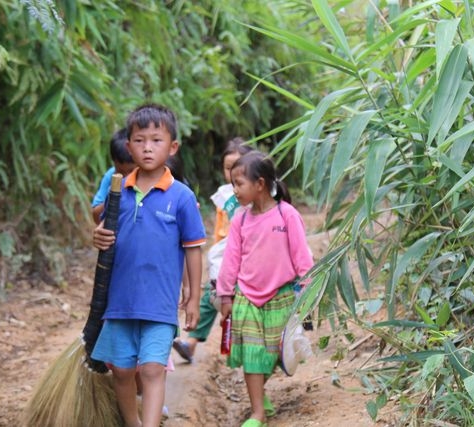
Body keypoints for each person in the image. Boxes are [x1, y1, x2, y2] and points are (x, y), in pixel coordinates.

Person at [92, 103, 206, 427]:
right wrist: (96, 236)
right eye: (140, 140)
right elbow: (103, 233)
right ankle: (133, 422)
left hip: (159, 301)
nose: (147, 148)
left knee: (154, 368)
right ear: (128, 146)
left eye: (156, 140)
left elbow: (193, 249)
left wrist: (193, 295)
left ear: (172, 148)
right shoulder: (118, 192)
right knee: (123, 370)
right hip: (120, 301)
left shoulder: (182, 197)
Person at [216, 151, 314, 427]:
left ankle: (260, 393)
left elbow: (302, 257)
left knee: (272, 353)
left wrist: (307, 290)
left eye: (239, 183)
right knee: (252, 353)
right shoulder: (240, 220)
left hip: (280, 296)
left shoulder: (287, 215)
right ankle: (257, 411)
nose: (234, 190)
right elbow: (230, 260)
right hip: (246, 297)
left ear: (259, 184)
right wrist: (225, 295)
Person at [173, 137, 254, 363]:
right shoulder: (223, 197)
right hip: (226, 257)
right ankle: (191, 342)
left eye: (239, 167)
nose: (233, 173)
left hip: (248, 258)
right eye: (228, 168)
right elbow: (220, 232)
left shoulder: (254, 193)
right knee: (211, 298)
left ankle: (246, 349)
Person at [91, 128, 136, 225]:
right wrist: (112, 199)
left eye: (132, 172)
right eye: (120, 171)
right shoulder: (111, 176)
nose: (126, 178)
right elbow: (96, 217)